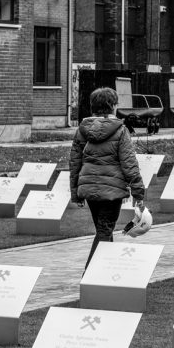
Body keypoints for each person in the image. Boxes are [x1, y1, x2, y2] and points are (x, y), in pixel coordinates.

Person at [70, 86, 146, 268]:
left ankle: (104, 274)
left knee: (103, 230)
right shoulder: (120, 131)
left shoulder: (82, 130)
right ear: (112, 106)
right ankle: (90, 276)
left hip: (89, 190)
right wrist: (138, 193)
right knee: (104, 231)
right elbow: (129, 164)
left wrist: (76, 194)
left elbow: (74, 164)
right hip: (111, 192)